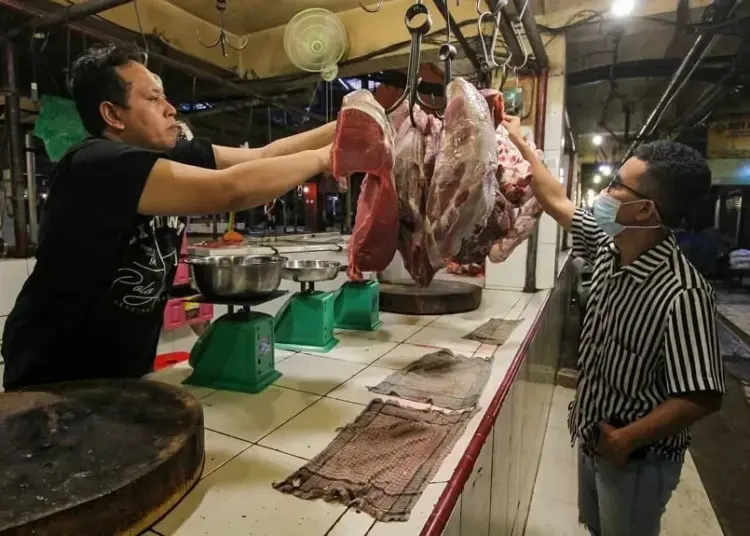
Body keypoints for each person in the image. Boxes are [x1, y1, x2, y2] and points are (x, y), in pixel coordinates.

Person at [1, 44, 336, 390]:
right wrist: (325, 159)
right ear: (113, 115)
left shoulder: (169, 154)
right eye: (154, 99)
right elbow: (230, 189)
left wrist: (349, 124)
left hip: (121, 368)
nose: (171, 108)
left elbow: (263, 156)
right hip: (54, 370)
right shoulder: (96, 163)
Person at [502, 116, 725, 536]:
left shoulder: (682, 294)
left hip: (636, 456)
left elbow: (703, 396)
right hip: (595, 438)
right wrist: (519, 140)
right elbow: (555, 200)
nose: (605, 193)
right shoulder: (609, 248)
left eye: (617, 186)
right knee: (599, 528)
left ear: (645, 209)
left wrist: (625, 440)